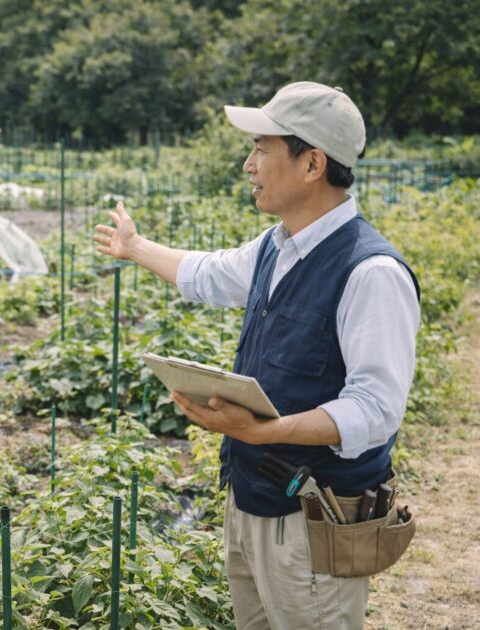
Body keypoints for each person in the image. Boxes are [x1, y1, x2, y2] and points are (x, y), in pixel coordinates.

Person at [93, 82, 420, 629]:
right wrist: (135, 247)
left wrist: (266, 431)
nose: (249, 165)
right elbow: (213, 274)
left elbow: (375, 409)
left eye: (262, 149)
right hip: (252, 498)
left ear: (313, 163)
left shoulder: (372, 274)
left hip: (314, 517)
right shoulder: (277, 245)